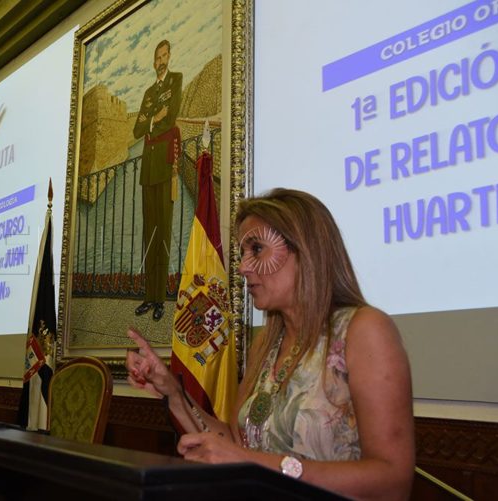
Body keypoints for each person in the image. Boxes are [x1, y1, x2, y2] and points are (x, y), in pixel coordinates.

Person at [126, 188, 415, 500]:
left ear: (305, 249)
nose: (243, 267)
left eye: (257, 249)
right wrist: (174, 393)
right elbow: (235, 447)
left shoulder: (364, 330)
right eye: (243, 253)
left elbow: (392, 481)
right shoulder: (266, 343)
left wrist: (259, 465)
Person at [132, 39, 183, 321]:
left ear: (169, 57)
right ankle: (149, 297)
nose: (161, 61)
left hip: (164, 166)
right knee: (149, 234)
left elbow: (171, 116)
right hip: (148, 169)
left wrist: (154, 122)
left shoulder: (176, 80)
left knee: (162, 231)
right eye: (158, 57)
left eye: (165, 56)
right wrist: (153, 119)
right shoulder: (149, 93)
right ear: (154, 62)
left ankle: (161, 298)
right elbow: (137, 129)